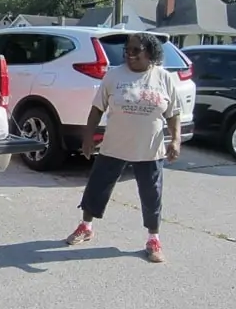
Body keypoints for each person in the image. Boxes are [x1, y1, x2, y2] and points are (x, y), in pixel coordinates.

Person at [66, 32, 182, 263]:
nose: (130, 54)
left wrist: (176, 139)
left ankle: (153, 239)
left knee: (152, 196)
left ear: (150, 53)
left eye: (135, 50)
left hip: (150, 150)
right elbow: (97, 108)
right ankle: (86, 226)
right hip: (113, 147)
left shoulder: (164, 78)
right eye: (127, 50)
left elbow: (174, 113)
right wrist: (88, 137)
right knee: (97, 189)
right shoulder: (114, 76)